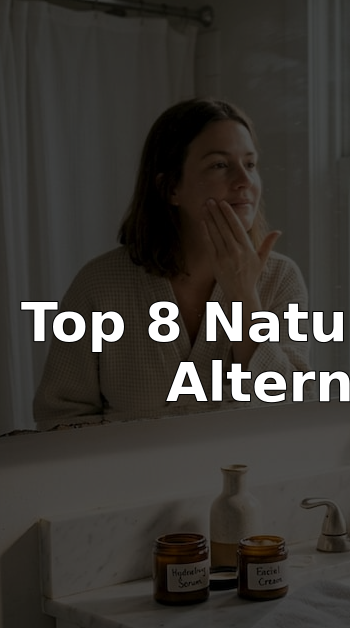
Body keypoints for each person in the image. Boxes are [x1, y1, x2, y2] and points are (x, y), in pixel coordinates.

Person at [34, 99, 310, 429]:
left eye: (250, 165)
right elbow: (61, 417)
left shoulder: (280, 278)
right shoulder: (100, 284)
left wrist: (243, 297)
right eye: (220, 165)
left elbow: (294, 409)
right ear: (171, 188)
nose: (243, 181)